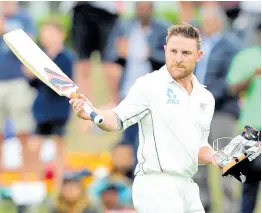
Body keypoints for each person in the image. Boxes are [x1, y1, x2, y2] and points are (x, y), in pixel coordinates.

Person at [70, 23, 221, 213]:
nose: (178, 58)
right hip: (155, 184)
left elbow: (197, 148)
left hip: (187, 186)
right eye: (173, 51)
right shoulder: (149, 85)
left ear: (199, 55)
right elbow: (117, 119)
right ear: (165, 51)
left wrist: (218, 158)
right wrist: (93, 114)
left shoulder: (205, 98)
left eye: (186, 53)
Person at [193, 4, 241, 212]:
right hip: (196, 113)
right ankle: (203, 207)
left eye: (210, 20)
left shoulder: (230, 46)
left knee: (227, 163)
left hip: (221, 112)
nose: (206, 25)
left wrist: (206, 95)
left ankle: (230, 208)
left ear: (219, 22)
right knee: (197, 167)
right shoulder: (195, 47)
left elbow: (231, 80)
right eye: (204, 20)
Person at [22, 20, 75, 187]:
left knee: (58, 147)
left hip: (58, 110)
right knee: (35, 147)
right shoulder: (41, 57)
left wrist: (40, 74)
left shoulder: (66, 57)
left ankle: (58, 183)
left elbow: (62, 85)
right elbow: (34, 85)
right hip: (41, 109)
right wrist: (31, 75)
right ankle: (37, 181)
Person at [227, 22, 261, 213]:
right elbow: (231, 88)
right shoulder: (246, 57)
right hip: (251, 128)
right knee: (250, 179)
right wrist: (252, 76)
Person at [0, 1, 36, 173]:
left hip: (18, 81)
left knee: (23, 129)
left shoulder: (24, 18)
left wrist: (5, 28)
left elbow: (29, 44)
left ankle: (26, 169)